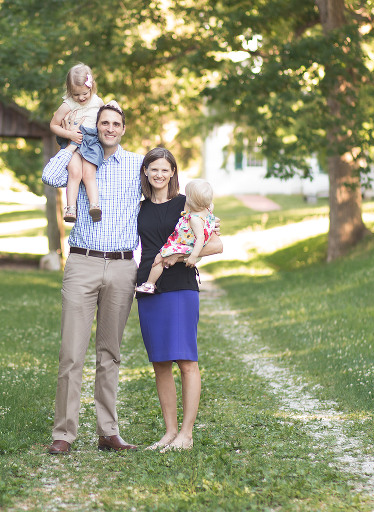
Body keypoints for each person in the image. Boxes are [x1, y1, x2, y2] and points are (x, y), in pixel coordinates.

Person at [42, 103, 222, 455]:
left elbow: (182, 208)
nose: (109, 128)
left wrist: (185, 253)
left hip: (124, 268)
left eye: (116, 123)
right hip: (83, 261)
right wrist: (75, 140)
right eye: (103, 123)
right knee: (71, 353)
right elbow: (50, 177)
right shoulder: (81, 158)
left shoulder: (136, 166)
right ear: (96, 126)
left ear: (123, 129)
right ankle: (64, 433)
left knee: (110, 352)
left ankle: (108, 431)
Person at [135, 148, 221, 452]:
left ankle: (187, 434)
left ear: (173, 173)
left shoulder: (187, 205)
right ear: (145, 171)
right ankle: (170, 433)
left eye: (165, 170)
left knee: (186, 360)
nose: (159, 175)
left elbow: (217, 244)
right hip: (148, 287)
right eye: (153, 169)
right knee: (160, 362)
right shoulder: (138, 208)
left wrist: (178, 255)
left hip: (181, 286)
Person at [135, 179, 216, 294]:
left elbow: (201, 238)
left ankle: (150, 284)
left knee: (159, 259)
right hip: (191, 248)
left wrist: (193, 256)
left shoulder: (194, 219)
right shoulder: (207, 210)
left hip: (188, 246)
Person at [49, 63, 105, 223]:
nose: (81, 98)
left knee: (89, 174)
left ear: (92, 87)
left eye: (84, 93)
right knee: (74, 173)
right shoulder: (68, 104)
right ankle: (71, 208)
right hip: (73, 141)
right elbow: (53, 124)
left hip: (92, 143)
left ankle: (95, 205)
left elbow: (105, 117)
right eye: (76, 94)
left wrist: (113, 104)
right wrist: (69, 134)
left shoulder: (97, 101)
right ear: (69, 91)